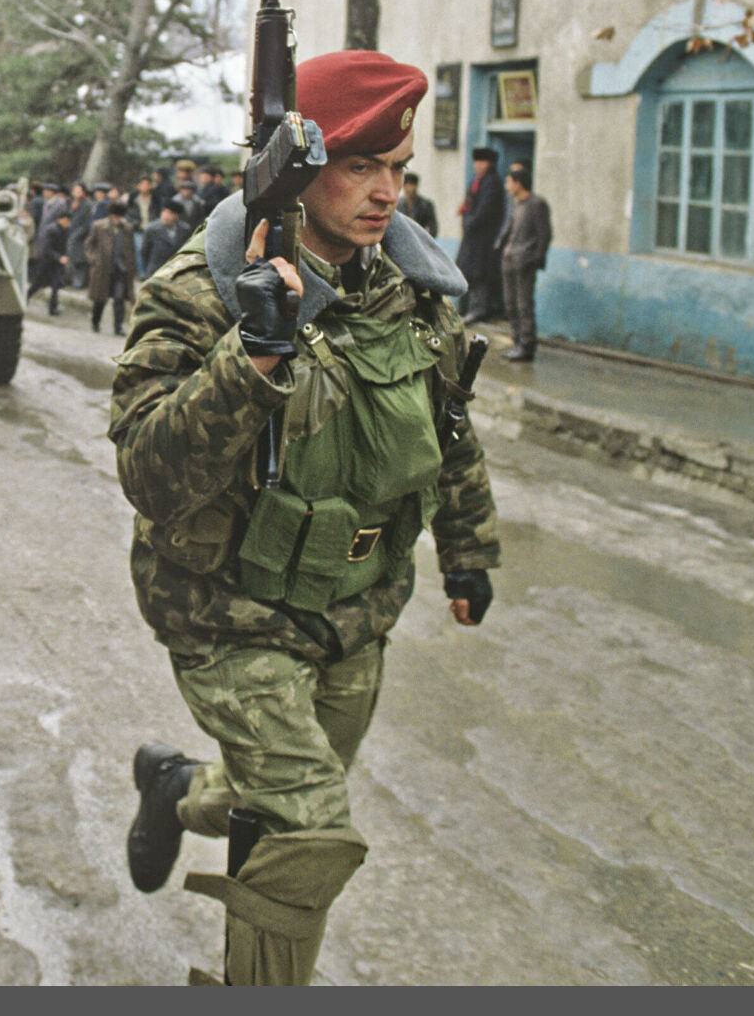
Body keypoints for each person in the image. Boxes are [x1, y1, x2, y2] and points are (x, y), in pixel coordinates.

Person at [113, 50, 500, 987]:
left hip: (354, 610)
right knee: (310, 827)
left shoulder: (411, 292)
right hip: (228, 610)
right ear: (295, 168)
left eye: (397, 171)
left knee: (266, 789)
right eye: (360, 166)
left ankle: (176, 791)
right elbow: (149, 472)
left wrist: (467, 551)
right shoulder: (198, 293)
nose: (384, 193)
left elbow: (447, 428)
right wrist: (251, 355)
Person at [494, 163, 552, 361]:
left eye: (509, 182)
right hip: (509, 259)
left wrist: (536, 258)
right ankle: (517, 341)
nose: (506, 186)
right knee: (510, 304)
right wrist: (500, 245)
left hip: (524, 261)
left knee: (524, 304)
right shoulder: (516, 204)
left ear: (518, 183)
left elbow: (545, 234)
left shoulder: (537, 204)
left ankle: (526, 346)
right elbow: (509, 228)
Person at [455, 147, 505, 323]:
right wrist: (466, 222)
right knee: (466, 271)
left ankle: (480, 309)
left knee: (479, 274)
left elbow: (484, 211)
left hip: (484, 238)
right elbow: (467, 205)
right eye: (476, 162)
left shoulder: (492, 183)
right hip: (472, 237)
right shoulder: (476, 182)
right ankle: (463, 308)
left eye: (480, 162)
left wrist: (469, 223)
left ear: (489, 163)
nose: (477, 165)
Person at [85, 200, 137, 336]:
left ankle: (118, 327)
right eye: (115, 216)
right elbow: (89, 245)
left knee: (119, 298)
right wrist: (94, 259)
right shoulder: (98, 226)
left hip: (121, 268)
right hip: (103, 267)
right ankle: (95, 322)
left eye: (120, 217)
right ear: (110, 215)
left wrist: (132, 268)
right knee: (100, 299)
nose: (117, 220)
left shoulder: (128, 228)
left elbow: (131, 250)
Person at [139, 203, 190, 278]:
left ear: (176, 216)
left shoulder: (184, 229)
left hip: (176, 270)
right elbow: (144, 251)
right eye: (164, 212)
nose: (166, 215)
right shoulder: (152, 229)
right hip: (156, 270)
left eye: (170, 213)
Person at [397, 170, 438, 237]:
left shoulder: (426, 205)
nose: (410, 188)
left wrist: (426, 240)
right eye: (407, 184)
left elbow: (433, 227)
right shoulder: (397, 205)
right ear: (403, 186)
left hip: (419, 239)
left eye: (412, 185)